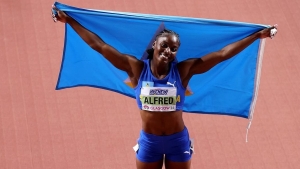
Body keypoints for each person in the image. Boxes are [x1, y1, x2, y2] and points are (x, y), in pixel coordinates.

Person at [51, 4, 277, 169]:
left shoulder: (183, 71)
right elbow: (98, 45)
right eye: (165, 45)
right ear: (154, 46)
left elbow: (222, 54)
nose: (169, 51)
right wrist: (69, 20)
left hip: (177, 140)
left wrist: (257, 35)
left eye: (174, 48)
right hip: (149, 141)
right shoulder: (136, 69)